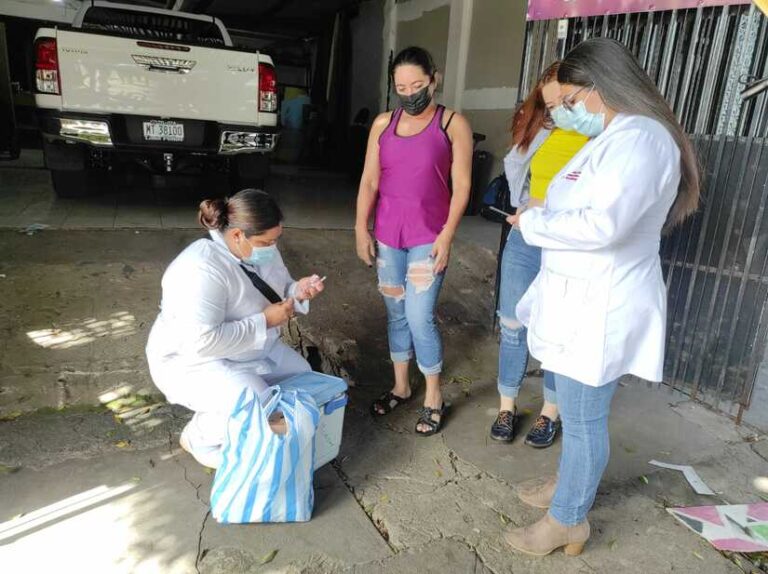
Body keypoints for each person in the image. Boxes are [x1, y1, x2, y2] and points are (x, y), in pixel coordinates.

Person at [502, 38, 700, 556]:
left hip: (601, 305)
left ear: (600, 87)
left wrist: (537, 222)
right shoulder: (612, 136)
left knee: (585, 416)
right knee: (568, 400)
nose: (566, 112)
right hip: (574, 300)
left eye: (569, 101)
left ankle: (568, 518)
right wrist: (539, 215)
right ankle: (568, 487)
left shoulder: (644, 139)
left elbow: (604, 225)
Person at [145, 189, 325, 469]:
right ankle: (200, 436)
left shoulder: (262, 249)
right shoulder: (199, 270)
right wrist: (264, 321)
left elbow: (279, 288)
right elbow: (202, 342)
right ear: (238, 235)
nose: (273, 247)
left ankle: (251, 426)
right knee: (256, 400)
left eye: (276, 239)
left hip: (250, 348)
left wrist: (298, 291)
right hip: (193, 361)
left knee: (304, 382)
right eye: (267, 241)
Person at [355, 46, 473, 435]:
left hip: (429, 236)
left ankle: (434, 395)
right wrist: (361, 227)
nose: (409, 94)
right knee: (396, 314)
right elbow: (370, 180)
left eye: (417, 84)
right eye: (401, 86)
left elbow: (462, 185)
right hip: (390, 236)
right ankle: (401, 386)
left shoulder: (452, 124)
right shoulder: (382, 125)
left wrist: (448, 234)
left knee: (420, 316)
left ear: (434, 78)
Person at [491, 62, 589, 447]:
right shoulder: (541, 128)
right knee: (512, 324)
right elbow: (522, 176)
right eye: (548, 104)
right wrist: (521, 210)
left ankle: (550, 412)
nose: (556, 111)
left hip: (567, 244)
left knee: (556, 331)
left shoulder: (601, 137)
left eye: (562, 101)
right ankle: (507, 405)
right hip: (526, 236)